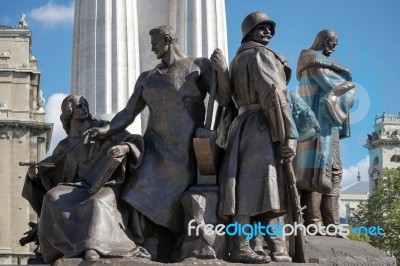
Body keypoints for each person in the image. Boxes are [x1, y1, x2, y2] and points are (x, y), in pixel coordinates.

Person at [83, 25, 231, 260]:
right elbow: (127, 114)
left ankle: (167, 245)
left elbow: (223, 97)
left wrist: (222, 71)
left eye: (155, 42)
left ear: (168, 38)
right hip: (154, 147)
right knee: (135, 188)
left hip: (185, 151)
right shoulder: (147, 78)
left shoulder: (198, 66)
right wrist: (104, 130)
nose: (152, 47)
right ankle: (141, 244)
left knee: (171, 199)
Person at [22, 95, 149, 263]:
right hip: (77, 186)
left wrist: (124, 148)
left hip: (106, 182)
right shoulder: (64, 145)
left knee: (97, 202)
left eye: (85, 105)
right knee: (52, 197)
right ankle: (59, 250)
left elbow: (135, 140)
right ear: (69, 112)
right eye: (79, 106)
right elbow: (52, 171)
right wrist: (35, 174)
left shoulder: (103, 127)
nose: (84, 108)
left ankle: (93, 247)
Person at [218, 11, 298, 263]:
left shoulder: (237, 59)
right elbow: (275, 97)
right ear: (248, 32)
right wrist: (289, 135)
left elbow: (225, 99)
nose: (268, 32)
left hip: (241, 127)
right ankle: (267, 247)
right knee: (265, 187)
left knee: (249, 187)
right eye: (262, 28)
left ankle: (267, 245)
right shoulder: (261, 55)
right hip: (262, 127)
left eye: (270, 29)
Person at [294, 30, 355, 234]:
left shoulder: (319, 64)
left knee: (334, 173)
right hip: (317, 127)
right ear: (323, 41)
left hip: (329, 128)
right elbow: (332, 85)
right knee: (315, 173)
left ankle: (332, 224)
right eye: (332, 42)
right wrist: (347, 83)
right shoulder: (312, 63)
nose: (334, 47)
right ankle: (312, 223)